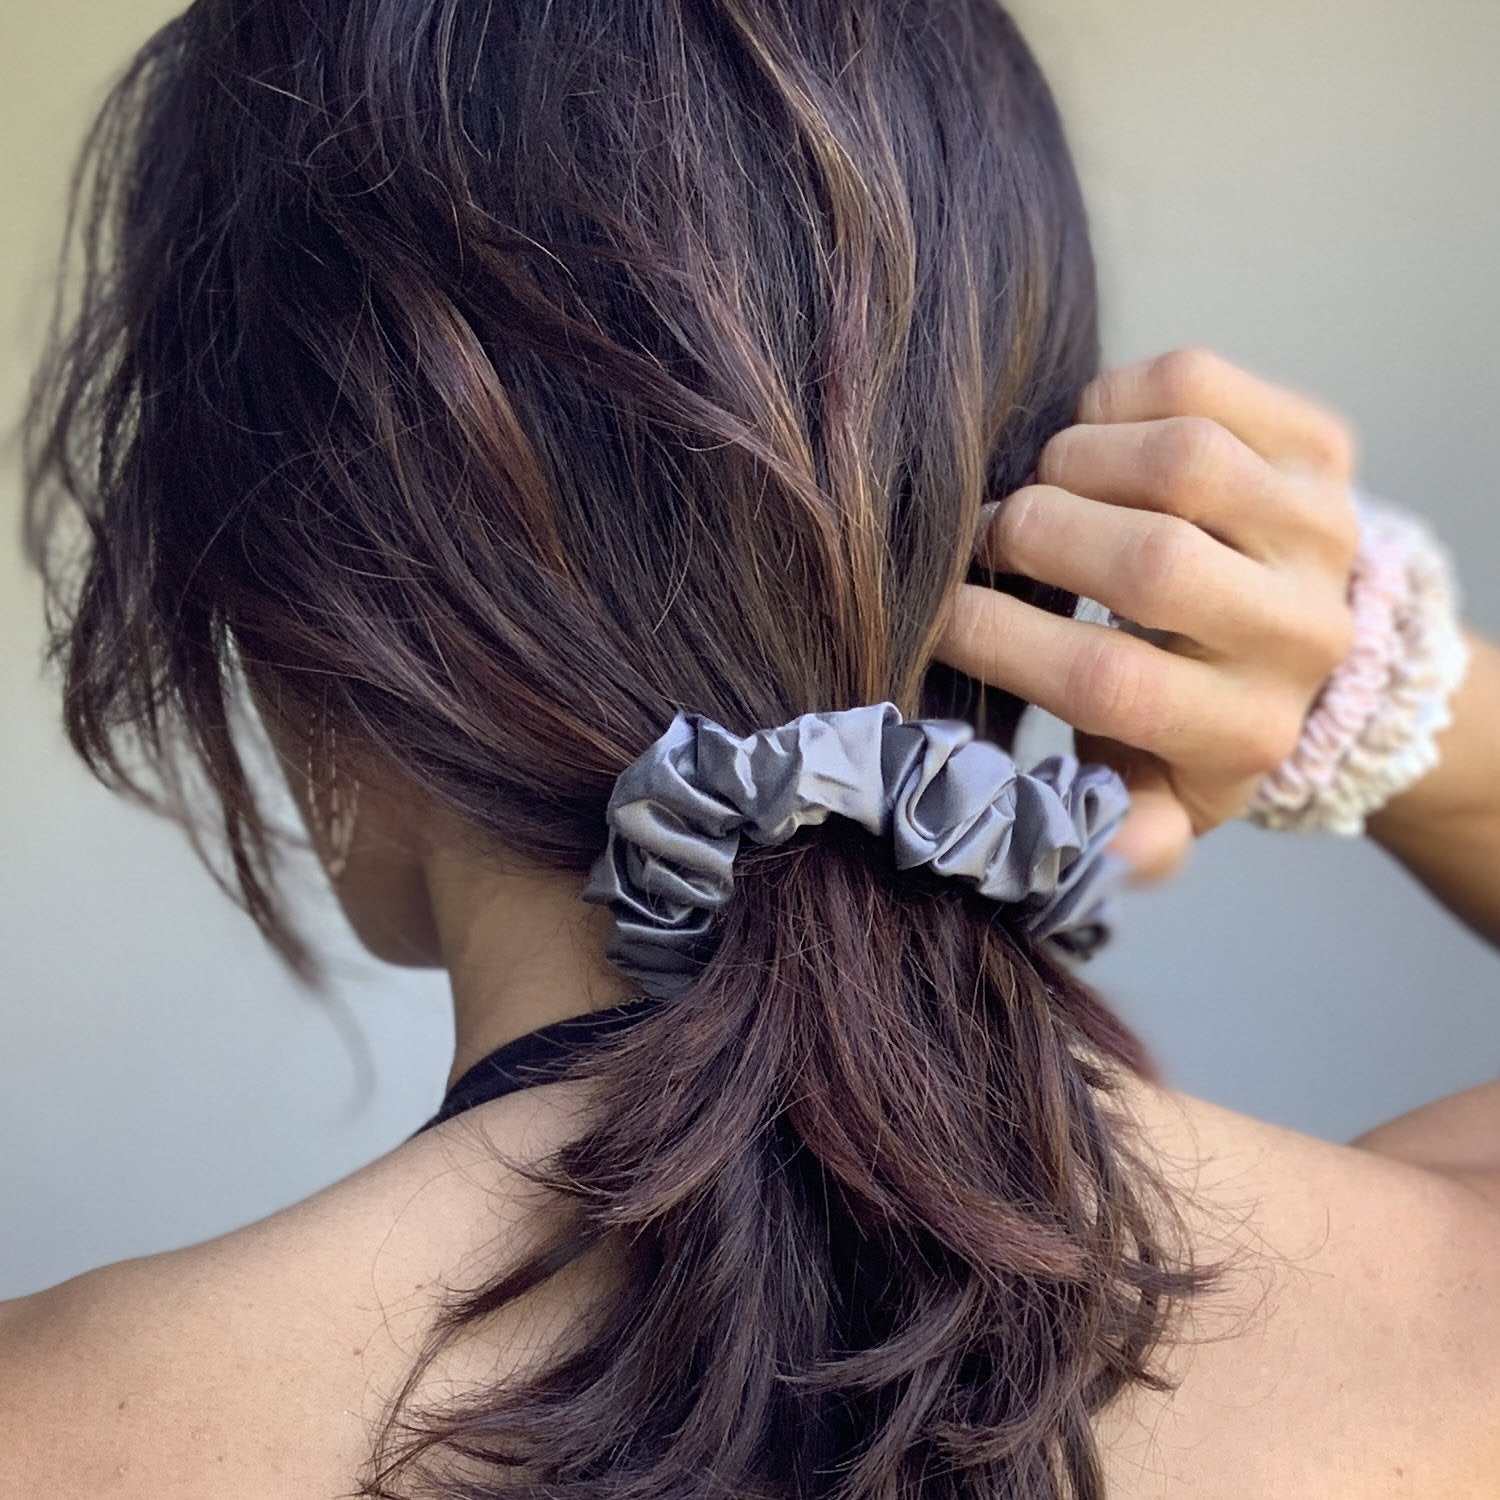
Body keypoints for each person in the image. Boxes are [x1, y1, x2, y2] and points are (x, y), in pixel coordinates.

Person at [4, 1, 1500, 1496]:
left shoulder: (53, 1428)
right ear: (1040, 524)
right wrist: (1393, 700)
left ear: (297, 629)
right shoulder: (1450, 1318)